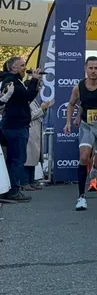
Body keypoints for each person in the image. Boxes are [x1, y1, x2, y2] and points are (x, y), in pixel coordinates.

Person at [65, 56, 97, 211]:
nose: (93, 71)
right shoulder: (79, 87)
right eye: (91, 68)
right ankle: (81, 197)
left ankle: (95, 171)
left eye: (96, 68)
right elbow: (71, 104)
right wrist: (68, 121)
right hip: (87, 126)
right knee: (83, 156)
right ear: (85, 69)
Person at [0, 57, 41, 203]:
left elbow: (26, 97)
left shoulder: (13, 81)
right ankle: (14, 191)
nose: (25, 68)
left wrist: (33, 83)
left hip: (11, 125)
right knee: (18, 159)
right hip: (16, 126)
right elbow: (27, 96)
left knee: (12, 159)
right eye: (22, 65)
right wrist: (35, 80)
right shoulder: (12, 82)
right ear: (13, 68)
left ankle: (8, 188)